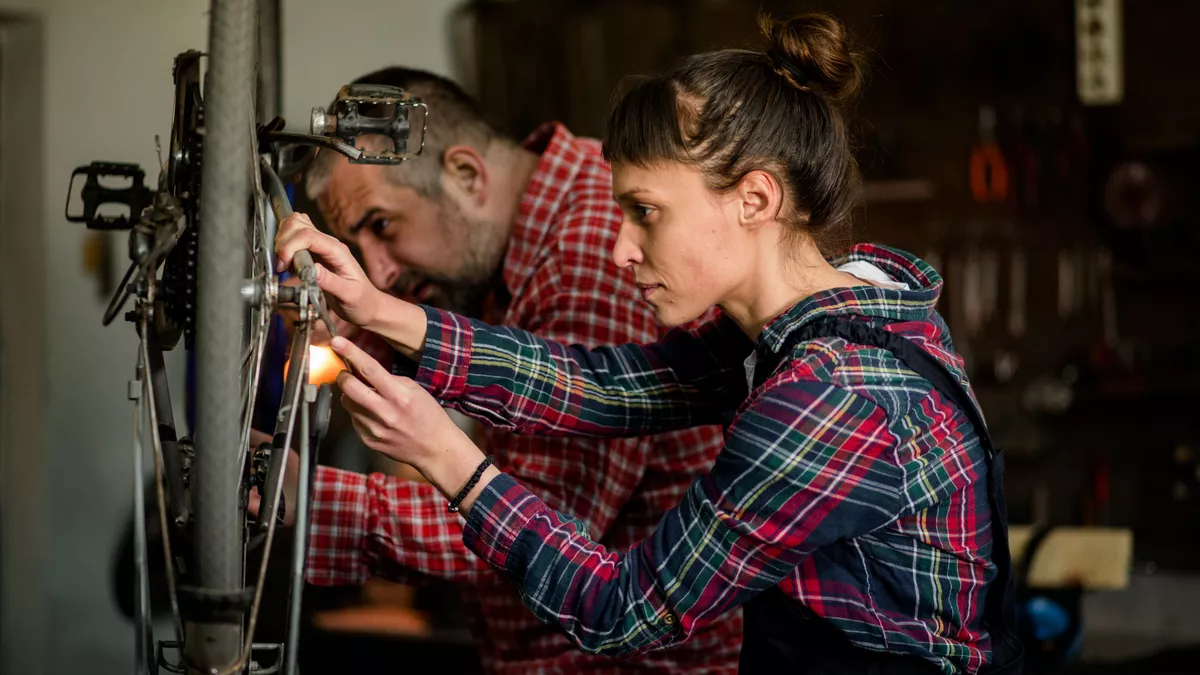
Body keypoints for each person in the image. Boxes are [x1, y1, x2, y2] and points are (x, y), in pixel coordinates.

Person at [275, 12, 1025, 675]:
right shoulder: (807, 327)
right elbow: (601, 386)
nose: (620, 249)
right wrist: (380, 309)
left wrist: (448, 458)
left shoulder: (831, 394)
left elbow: (622, 606)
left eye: (645, 212)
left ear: (755, 199)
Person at [264, 68, 742, 673]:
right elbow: (570, 383)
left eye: (382, 227)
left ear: (466, 174)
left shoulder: (588, 251)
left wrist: (303, 498)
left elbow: (550, 517)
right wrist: (375, 323)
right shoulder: (532, 234)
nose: (380, 271)